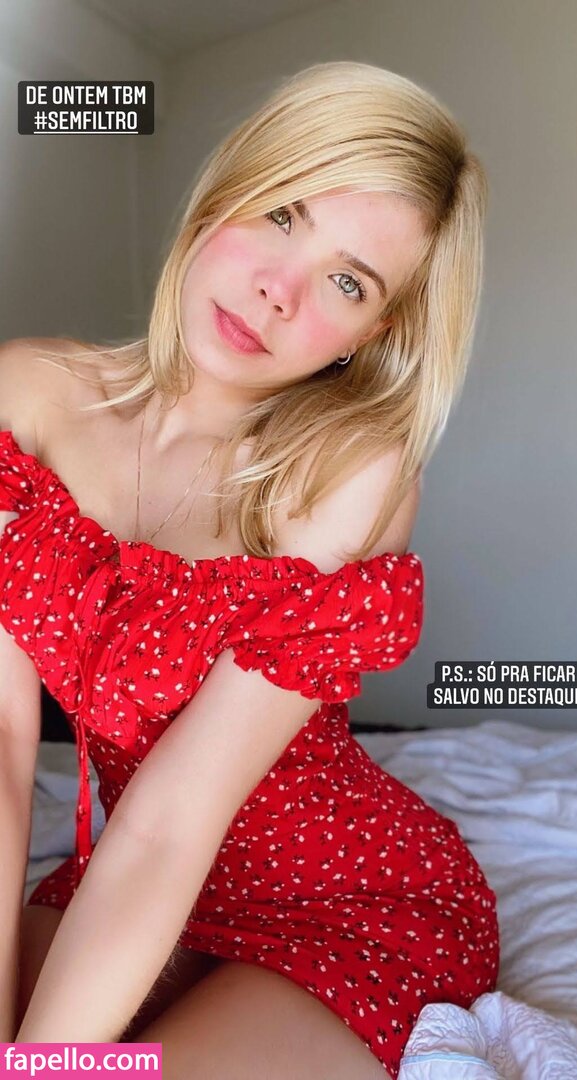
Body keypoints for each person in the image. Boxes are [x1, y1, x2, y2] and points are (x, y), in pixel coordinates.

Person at [0, 60, 499, 1079]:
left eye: (347, 281)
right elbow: (4, 746)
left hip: (342, 904)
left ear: (373, 332)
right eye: (281, 213)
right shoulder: (27, 397)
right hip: (127, 888)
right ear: (229, 185)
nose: (279, 289)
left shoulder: (350, 475)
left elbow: (172, 818)